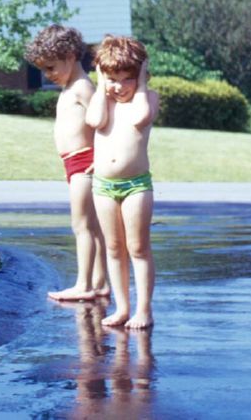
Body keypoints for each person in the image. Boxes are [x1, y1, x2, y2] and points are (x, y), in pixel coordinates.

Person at [25, 24, 109, 301]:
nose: (47, 75)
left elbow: (104, 124)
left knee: (82, 226)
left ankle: (84, 284)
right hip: (75, 164)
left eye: (51, 67)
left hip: (85, 164)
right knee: (93, 228)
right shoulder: (71, 87)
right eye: (43, 70)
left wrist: (102, 157)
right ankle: (99, 282)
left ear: (71, 56)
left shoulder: (83, 88)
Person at [85, 35, 159, 329]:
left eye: (126, 79)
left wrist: (140, 84)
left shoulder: (148, 98)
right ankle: (122, 308)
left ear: (140, 74)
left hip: (136, 186)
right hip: (103, 186)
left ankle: (144, 309)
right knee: (114, 249)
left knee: (138, 247)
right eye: (112, 78)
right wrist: (103, 86)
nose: (119, 86)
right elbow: (94, 121)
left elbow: (141, 118)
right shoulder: (104, 101)